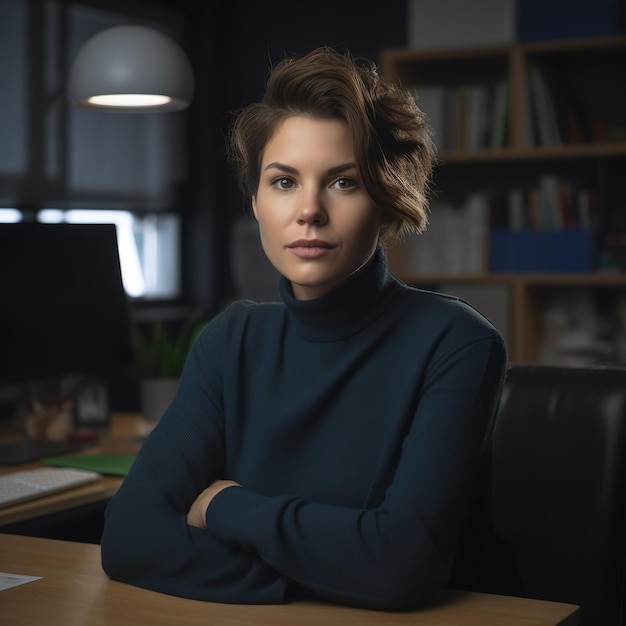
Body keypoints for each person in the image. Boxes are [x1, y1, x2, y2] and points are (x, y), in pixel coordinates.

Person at [101, 46, 507, 610]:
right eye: (284, 181)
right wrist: (322, 575)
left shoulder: (457, 343)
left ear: (388, 205)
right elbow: (127, 538)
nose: (309, 210)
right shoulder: (230, 341)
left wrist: (223, 506)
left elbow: (399, 565)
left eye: (344, 183)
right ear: (256, 203)